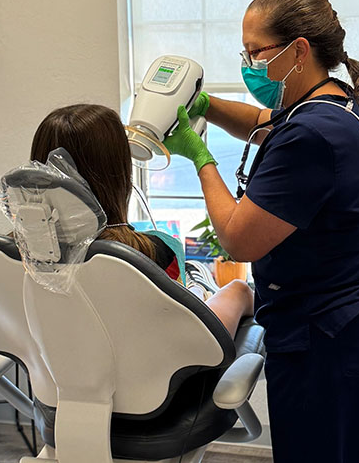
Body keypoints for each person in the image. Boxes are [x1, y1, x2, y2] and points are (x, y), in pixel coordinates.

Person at [163, 0, 359, 462]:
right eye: (244, 52)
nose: (248, 63)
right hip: (355, 324)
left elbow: (237, 238)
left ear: (299, 50)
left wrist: (199, 156)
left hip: (330, 341)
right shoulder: (331, 103)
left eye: (257, 53)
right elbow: (262, 121)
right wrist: (206, 106)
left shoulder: (313, 133)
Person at [30, 103, 253, 337]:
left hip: (60, 370)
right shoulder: (150, 252)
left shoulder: (16, 253)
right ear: (118, 171)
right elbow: (185, 333)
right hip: (166, 367)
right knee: (239, 290)